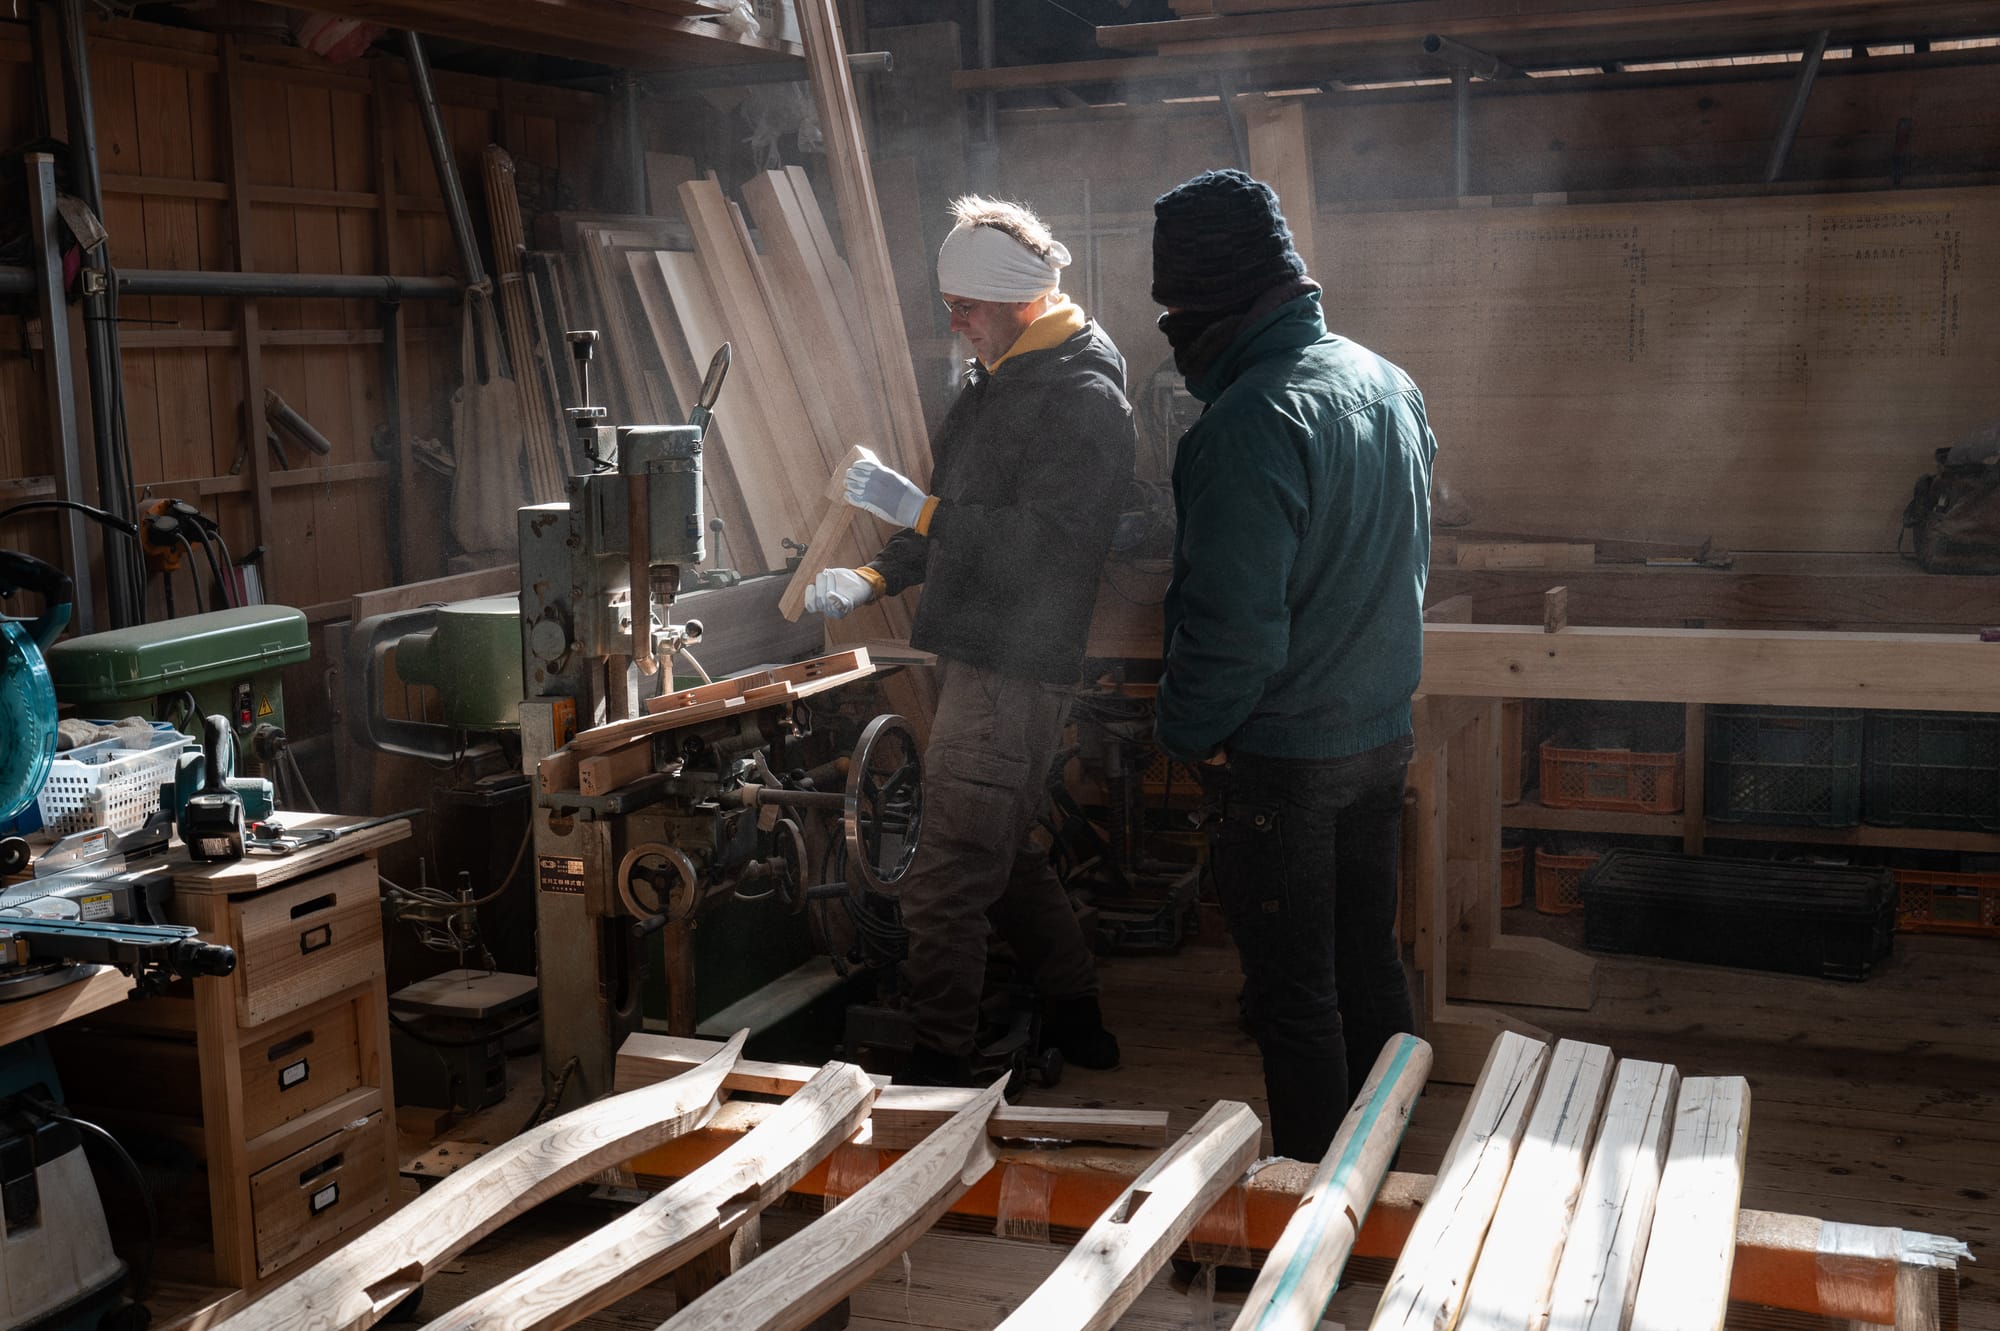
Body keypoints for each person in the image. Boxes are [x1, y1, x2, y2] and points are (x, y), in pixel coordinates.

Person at [806, 195, 1137, 1087]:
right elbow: (947, 523)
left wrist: (920, 507)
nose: (954, 327)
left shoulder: (1081, 397)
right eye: (948, 308)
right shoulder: (996, 381)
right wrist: (872, 577)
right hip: (974, 655)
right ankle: (1079, 1016)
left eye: (968, 309)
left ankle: (939, 1079)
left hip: (1013, 666)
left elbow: (1050, 543)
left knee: (944, 879)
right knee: (1004, 853)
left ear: (1022, 297)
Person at [1150, 168, 1433, 1162]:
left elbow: (1234, 633)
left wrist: (1183, 732)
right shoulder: (1383, 381)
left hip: (1283, 758)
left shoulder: (1245, 424)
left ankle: (1311, 1221)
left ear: (1209, 299)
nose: (1171, 326)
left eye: (1175, 305)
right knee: (1368, 966)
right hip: (1378, 734)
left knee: (1294, 997)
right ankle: (1388, 1186)